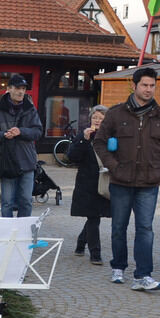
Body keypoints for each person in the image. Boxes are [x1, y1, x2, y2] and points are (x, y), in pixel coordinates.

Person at [94, 67, 160, 290]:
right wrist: (113, 167)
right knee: (119, 227)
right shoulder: (116, 113)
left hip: (148, 183)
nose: (149, 90)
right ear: (135, 85)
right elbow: (99, 142)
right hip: (121, 181)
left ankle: (143, 275)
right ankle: (118, 267)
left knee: (145, 229)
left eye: (152, 86)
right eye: (145, 85)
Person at [0, 73, 42, 218]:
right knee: (7, 202)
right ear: (9, 89)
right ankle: (7, 233)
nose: (21, 91)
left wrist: (21, 131)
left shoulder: (30, 109)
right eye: (17, 88)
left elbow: (38, 131)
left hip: (27, 160)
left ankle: (23, 233)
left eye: (23, 88)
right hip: (6, 160)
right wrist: (4, 135)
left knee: (26, 201)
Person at [67, 105, 110, 265]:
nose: (97, 120)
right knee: (93, 218)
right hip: (87, 183)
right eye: (95, 117)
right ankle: (95, 254)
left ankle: (80, 242)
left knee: (95, 217)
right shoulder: (84, 135)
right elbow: (72, 157)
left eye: (101, 118)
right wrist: (83, 140)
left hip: (103, 182)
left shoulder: (110, 137)